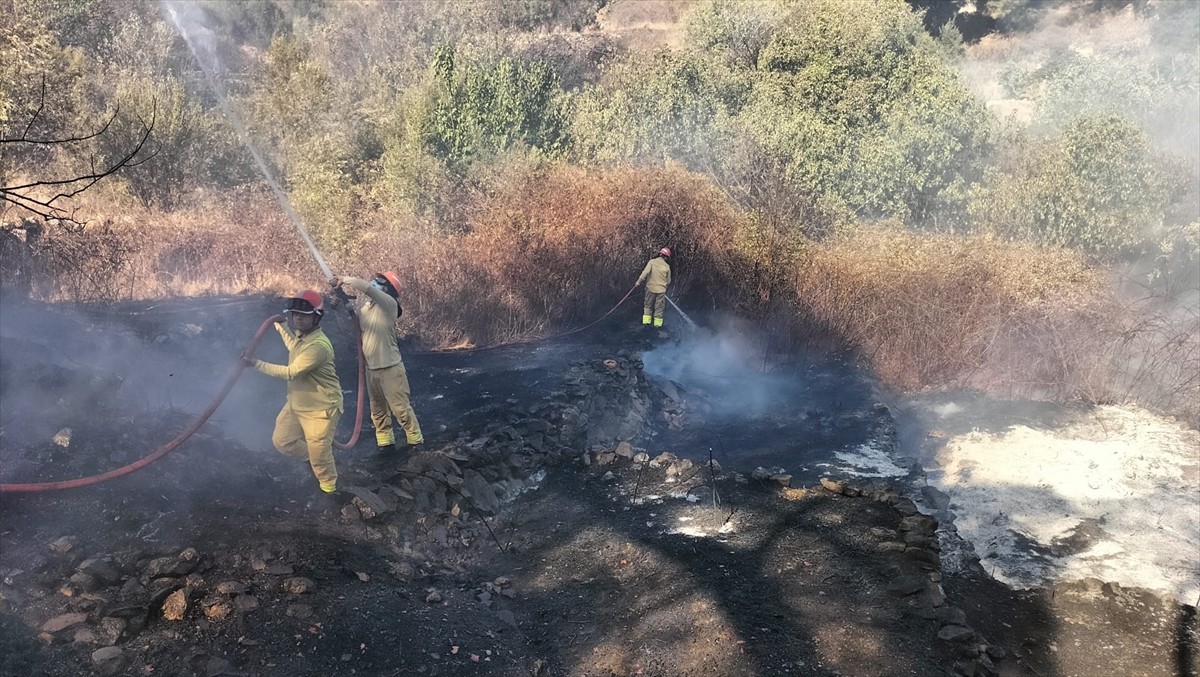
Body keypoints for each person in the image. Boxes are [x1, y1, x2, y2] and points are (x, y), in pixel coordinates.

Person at [246, 290, 344, 494]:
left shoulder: (318, 346)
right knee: (283, 441)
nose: (298, 318)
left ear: (316, 316)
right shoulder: (303, 338)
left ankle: (329, 492)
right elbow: (294, 348)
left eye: (304, 314)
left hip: (320, 409)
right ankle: (315, 459)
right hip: (297, 404)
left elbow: (292, 372)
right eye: (295, 314)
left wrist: (255, 364)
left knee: (321, 458)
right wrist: (281, 327)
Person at [329, 271, 424, 453]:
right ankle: (386, 446)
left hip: (391, 368)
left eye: (379, 281)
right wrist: (339, 308)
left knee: (401, 411)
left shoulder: (389, 305)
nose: (374, 282)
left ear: (388, 289)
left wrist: (344, 279)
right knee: (378, 413)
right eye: (374, 279)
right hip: (371, 369)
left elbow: (367, 288)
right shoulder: (366, 309)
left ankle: (417, 444)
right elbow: (352, 328)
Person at [636, 247, 672, 327]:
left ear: (660, 254)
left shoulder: (652, 262)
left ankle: (646, 324)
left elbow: (645, 273)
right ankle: (657, 327)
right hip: (661, 290)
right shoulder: (667, 267)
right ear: (666, 257)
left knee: (648, 306)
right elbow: (668, 281)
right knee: (659, 308)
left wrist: (638, 282)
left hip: (650, 288)